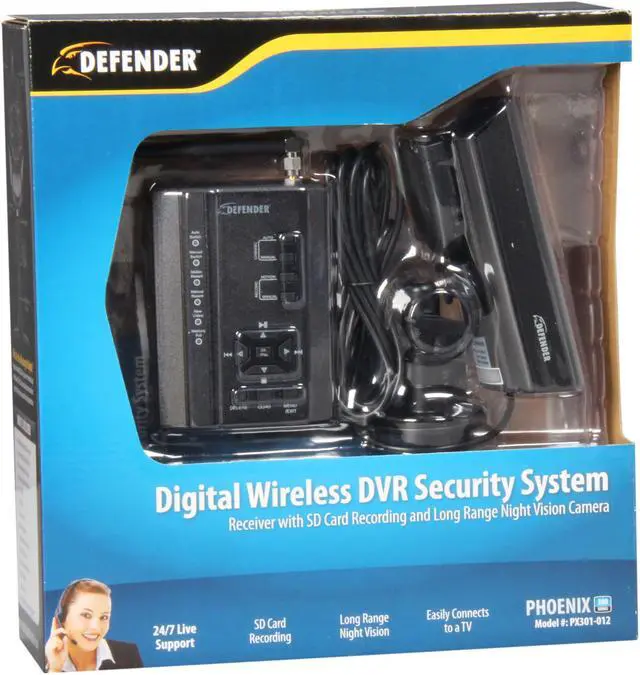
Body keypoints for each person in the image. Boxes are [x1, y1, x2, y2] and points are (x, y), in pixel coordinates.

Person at [45, 579, 143, 671]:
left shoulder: (129, 654)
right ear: (62, 618)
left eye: (104, 617)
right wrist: (54, 669)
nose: (96, 627)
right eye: (86, 615)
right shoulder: (43, 661)